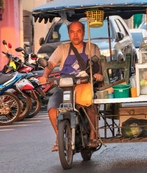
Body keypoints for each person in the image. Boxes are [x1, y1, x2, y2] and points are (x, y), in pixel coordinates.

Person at [39, 21, 104, 152]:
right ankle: (59, 138)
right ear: (68, 34)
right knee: (52, 108)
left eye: (78, 31)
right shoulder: (62, 49)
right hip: (65, 87)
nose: (75, 35)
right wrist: (45, 76)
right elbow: (50, 64)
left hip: (84, 85)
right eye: (72, 32)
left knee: (90, 105)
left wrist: (98, 75)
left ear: (83, 33)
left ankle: (93, 135)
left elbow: (98, 67)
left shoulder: (92, 47)